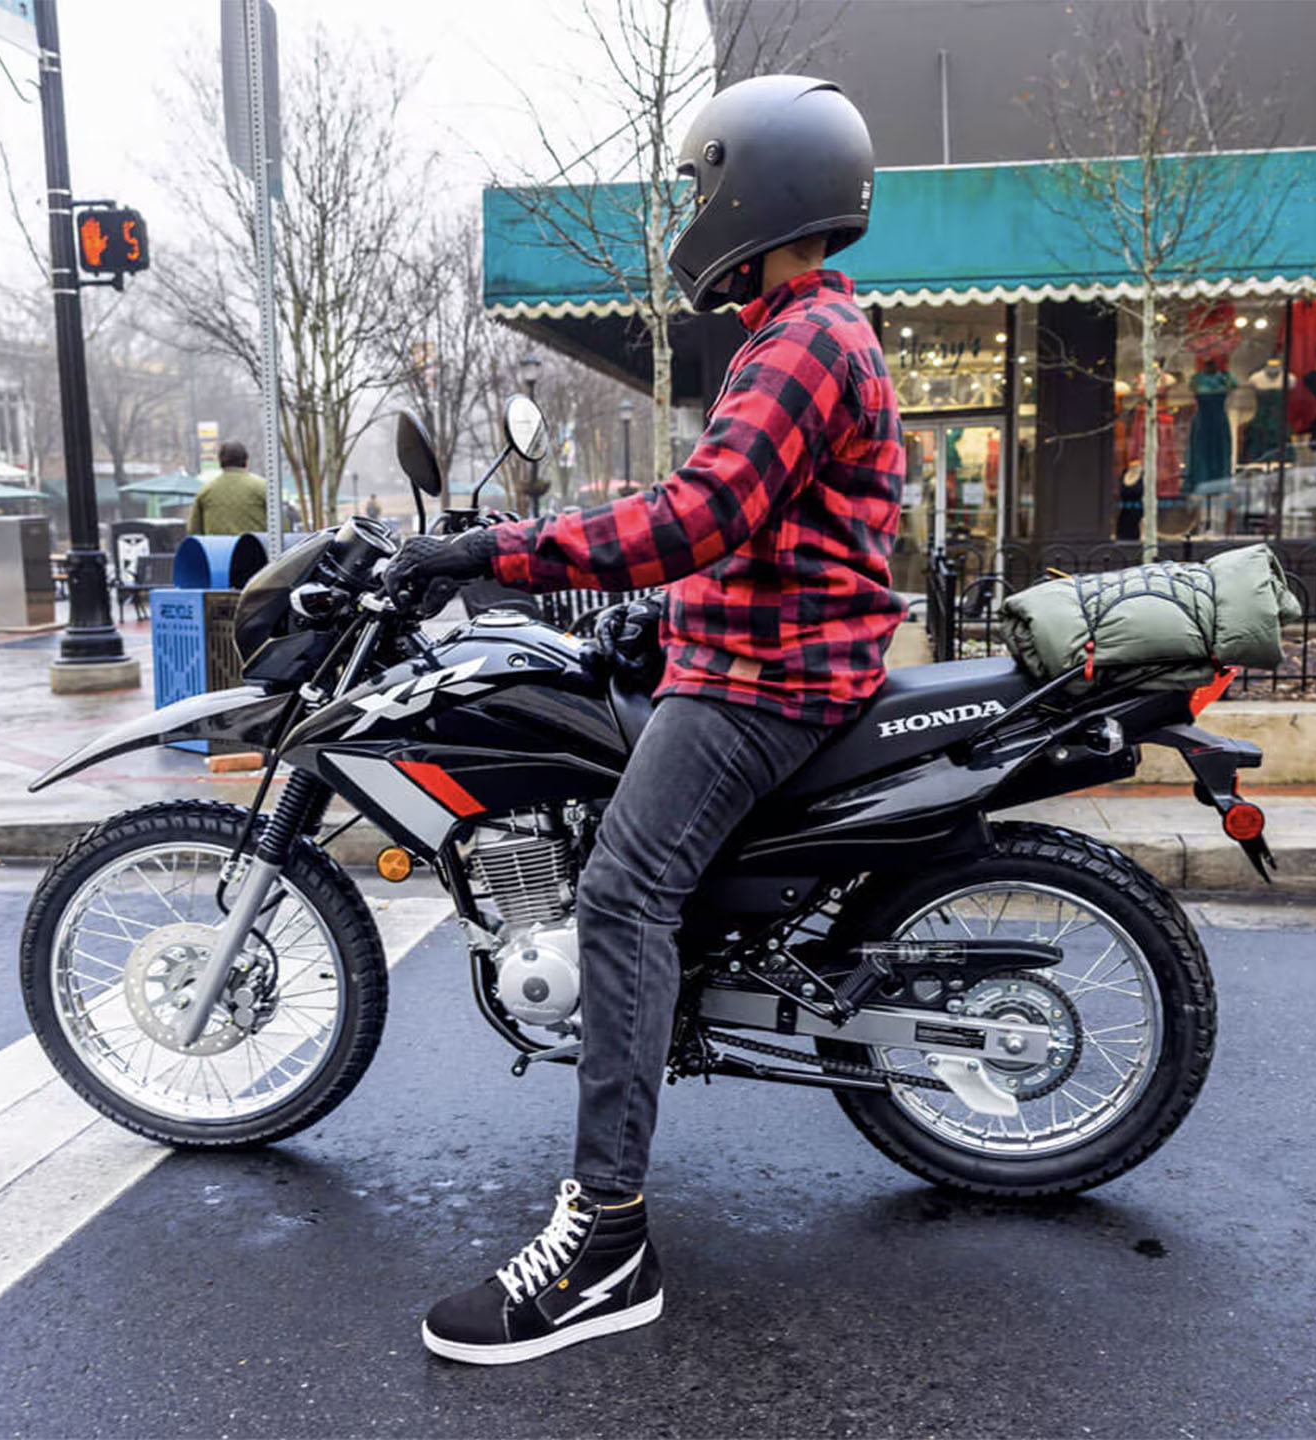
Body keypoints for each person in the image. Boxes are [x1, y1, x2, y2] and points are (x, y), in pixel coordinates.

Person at [383, 74, 903, 1365]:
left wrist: (498, 552)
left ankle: (607, 1238)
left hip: (768, 680)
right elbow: (743, 527)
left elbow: (699, 516)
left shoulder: (802, 343)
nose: (689, 205)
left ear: (752, 185)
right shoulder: (804, 328)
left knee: (622, 897)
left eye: (697, 180)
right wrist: (651, 614)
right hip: (749, 646)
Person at [187, 441, 269, 536]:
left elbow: (194, 530)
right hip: (256, 549)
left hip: (217, 549)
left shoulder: (205, 491)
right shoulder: (263, 487)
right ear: (246, 460)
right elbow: (283, 529)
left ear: (220, 462)